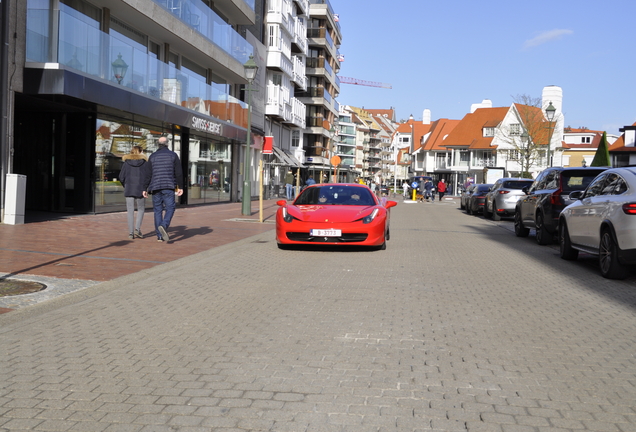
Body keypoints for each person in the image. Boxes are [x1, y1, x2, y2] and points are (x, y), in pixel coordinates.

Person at [143, 136, 184, 243]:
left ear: (158, 144)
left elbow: (148, 174)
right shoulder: (173, 155)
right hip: (168, 186)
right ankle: (164, 225)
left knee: (157, 210)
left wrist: (144, 188)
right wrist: (180, 187)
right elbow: (178, 173)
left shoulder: (152, 156)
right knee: (170, 208)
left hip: (155, 187)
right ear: (167, 144)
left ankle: (159, 236)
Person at [119, 145, 152, 239]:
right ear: (141, 152)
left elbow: (121, 177)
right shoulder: (145, 163)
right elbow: (148, 176)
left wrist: (126, 185)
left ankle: (130, 233)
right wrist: (145, 188)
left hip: (129, 188)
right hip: (141, 189)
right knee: (141, 209)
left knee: (130, 210)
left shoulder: (126, 163)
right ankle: (137, 229)